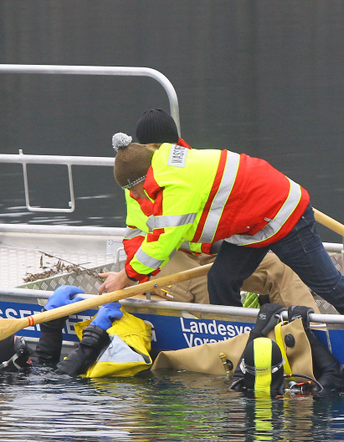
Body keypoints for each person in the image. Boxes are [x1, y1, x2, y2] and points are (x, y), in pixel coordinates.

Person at [99, 139, 344, 317]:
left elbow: (162, 242)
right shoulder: (167, 165)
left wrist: (124, 277)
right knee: (221, 280)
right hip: (250, 228)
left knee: (329, 286)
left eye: (133, 190)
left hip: (283, 215)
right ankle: (240, 341)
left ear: (141, 178)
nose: (134, 196)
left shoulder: (175, 187)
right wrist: (130, 275)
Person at [118, 110, 317, 310]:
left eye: (167, 146)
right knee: (207, 284)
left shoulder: (193, 168)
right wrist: (133, 274)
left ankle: (314, 326)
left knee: (280, 268)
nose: (162, 153)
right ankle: (235, 329)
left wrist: (223, 246)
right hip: (163, 257)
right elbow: (138, 234)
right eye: (155, 148)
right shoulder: (136, 188)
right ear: (142, 149)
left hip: (207, 250)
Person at [0, 285, 147, 380]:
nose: (30, 356)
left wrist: (51, 320)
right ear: (12, 363)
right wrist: (96, 331)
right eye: (21, 348)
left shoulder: (17, 375)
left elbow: (43, 361)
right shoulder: (28, 388)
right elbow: (62, 374)